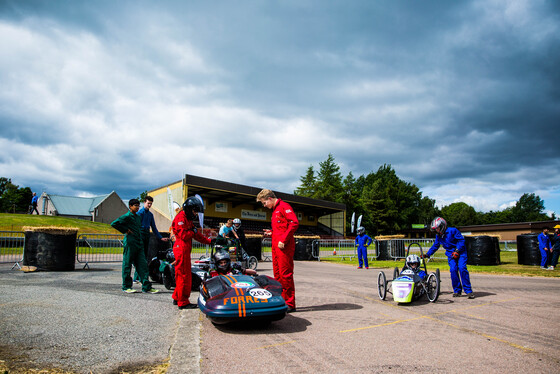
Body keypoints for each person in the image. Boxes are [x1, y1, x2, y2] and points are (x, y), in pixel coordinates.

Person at [257, 189, 299, 313]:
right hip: (276, 246)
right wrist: (272, 233)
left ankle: (290, 303)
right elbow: (282, 227)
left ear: (270, 198)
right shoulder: (275, 210)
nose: (264, 206)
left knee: (286, 274)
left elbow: (294, 223)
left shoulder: (284, 206)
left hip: (284, 246)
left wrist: (284, 240)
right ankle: (281, 300)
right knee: (278, 274)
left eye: (264, 203)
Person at [111, 199, 159, 294]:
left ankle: (146, 286)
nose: (137, 207)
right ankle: (126, 286)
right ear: (130, 206)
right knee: (127, 264)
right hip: (130, 243)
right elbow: (114, 223)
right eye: (135, 206)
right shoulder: (127, 216)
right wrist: (125, 230)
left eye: (138, 205)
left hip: (139, 242)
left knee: (143, 264)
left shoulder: (138, 217)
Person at [171, 196, 212, 309]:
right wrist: (192, 232)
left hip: (184, 248)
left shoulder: (187, 219)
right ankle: (183, 302)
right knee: (184, 276)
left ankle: (177, 297)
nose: (195, 214)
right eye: (194, 211)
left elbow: (195, 234)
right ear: (189, 208)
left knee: (182, 275)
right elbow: (184, 235)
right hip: (181, 248)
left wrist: (209, 241)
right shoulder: (181, 218)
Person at [425, 217, 474, 299]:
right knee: (453, 270)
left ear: (443, 226)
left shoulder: (453, 231)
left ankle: (468, 291)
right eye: (435, 229)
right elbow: (435, 246)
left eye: (437, 228)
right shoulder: (439, 236)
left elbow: (461, 241)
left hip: (461, 252)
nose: (437, 231)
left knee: (462, 268)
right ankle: (457, 291)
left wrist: (457, 250)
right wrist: (428, 254)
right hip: (451, 254)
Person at [133, 196, 168, 283]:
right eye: (148, 203)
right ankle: (138, 277)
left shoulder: (150, 215)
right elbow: (135, 226)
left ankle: (138, 277)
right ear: (144, 202)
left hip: (146, 234)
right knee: (140, 257)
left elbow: (154, 228)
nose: (149, 205)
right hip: (140, 234)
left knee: (144, 257)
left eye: (151, 204)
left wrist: (160, 237)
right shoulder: (139, 213)